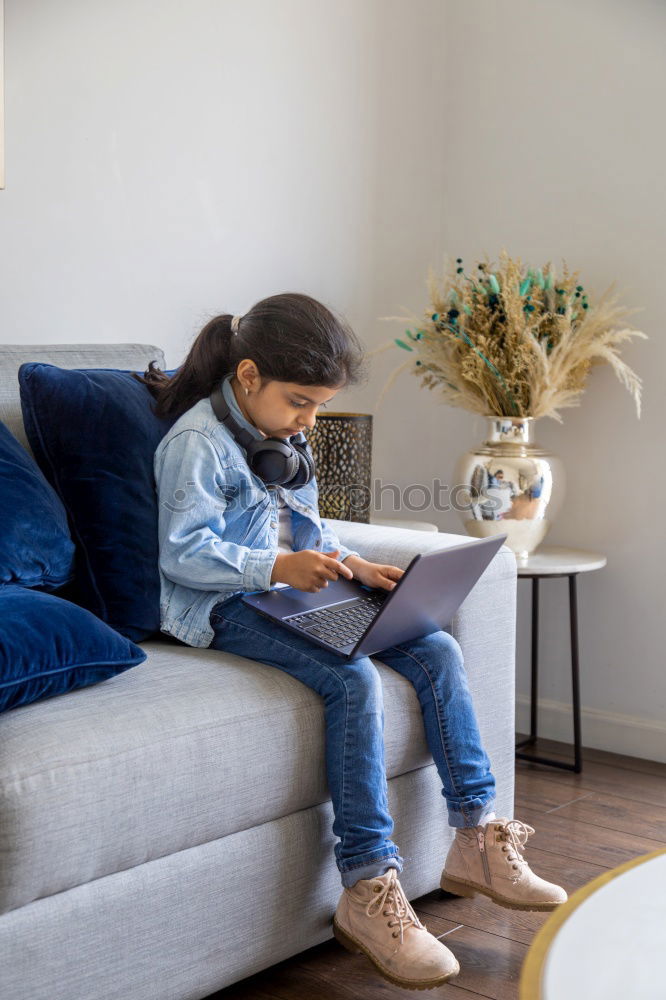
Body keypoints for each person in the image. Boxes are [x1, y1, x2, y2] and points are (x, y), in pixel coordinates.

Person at [136, 292, 567, 992]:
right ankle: (368, 887)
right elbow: (181, 555)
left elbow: (306, 524)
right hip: (218, 605)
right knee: (352, 678)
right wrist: (279, 567)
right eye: (300, 402)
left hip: (291, 588)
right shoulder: (196, 443)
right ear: (248, 378)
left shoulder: (283, 436)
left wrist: (352, 565)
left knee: (435, 647)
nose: (309, 421)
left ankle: (477, 838)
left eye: (317, 407)